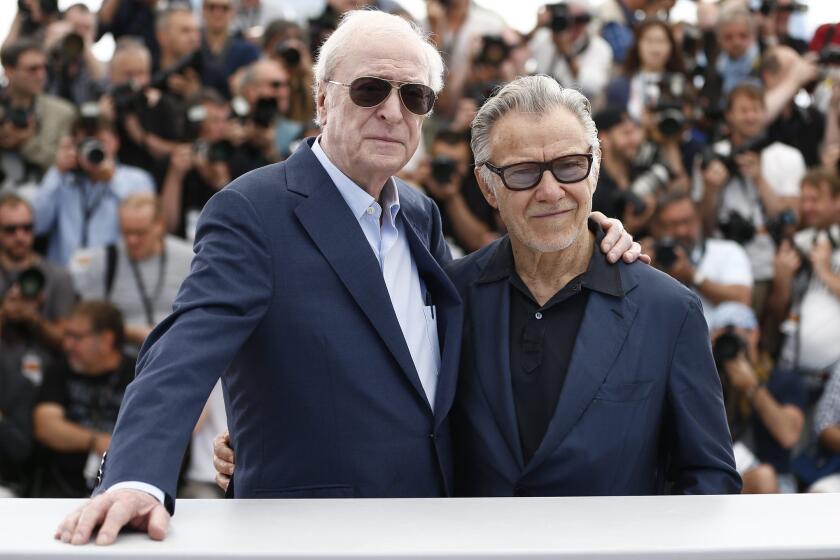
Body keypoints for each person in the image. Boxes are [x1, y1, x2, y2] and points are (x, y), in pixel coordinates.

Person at [55, 11, 638, 546]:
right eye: (369, 89)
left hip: (432, 528)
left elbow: (450, 336)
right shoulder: (253, 208)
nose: (393, 110)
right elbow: (182, 350)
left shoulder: (419, 213)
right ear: (322, 101)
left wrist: (586, 242)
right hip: (306, 537)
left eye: (414, 96)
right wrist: (136, 478)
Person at [448, 76, 738, 496]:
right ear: (486, 186)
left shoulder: (669, 311)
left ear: (595, 168)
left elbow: (709, 480)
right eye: (523, 172)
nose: (550, 191)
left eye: (569, 166)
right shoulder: (449, 295)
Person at [32, 301, 134, 498]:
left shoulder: (137, 373)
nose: (66, 344)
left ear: (106, 340)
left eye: (76, 337)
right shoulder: (60, 370)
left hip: (124, 487)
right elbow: (46, 426)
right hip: (61, 489)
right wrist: (96, 441)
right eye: (67, 335)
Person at [30, 114, 156, 267]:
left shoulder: (137, 179)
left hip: (114, 279)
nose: (93, 149)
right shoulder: (61, 180)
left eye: (100, 142)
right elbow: (36, 226)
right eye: (85, 143)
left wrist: (113, 181)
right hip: (67, 278)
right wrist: (57, 172)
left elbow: (148, 228)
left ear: (116, 141)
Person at [69, 193, 194, 348]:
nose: (132, 241)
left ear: (160, 225)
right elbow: (89, 321)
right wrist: (130, 332)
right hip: (122, 357)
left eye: (140, 233)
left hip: (176, 352)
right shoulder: (104, 260)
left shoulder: (189, 259)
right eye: (126, 232)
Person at [708, 303, 805, 494]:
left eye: (737, 335)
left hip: (775, 481)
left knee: (764, 477)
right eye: (722, 340)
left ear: (754, 334)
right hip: (721, 478)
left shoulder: (783, 380)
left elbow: (788, 436)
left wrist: (752, 388)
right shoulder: (709, 382)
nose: (730, 347)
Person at [650, 191, 753, 325]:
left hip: (714, 340)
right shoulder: (647, 260)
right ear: (656, 227)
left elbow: (742, 299)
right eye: (672, 224)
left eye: (686, 221)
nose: (681, 231)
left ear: (698, 220)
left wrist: (693, 276)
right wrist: (649, 270)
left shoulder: (727, 251)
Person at [0, 39, 77, 179]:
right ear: (9, 71)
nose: (41, 76)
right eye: (32, 69)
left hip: (43, 190)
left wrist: (26, 142)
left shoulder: (62, 112)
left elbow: (64, 162)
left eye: (44, 68)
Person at [527, 1, 613, 101]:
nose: (572, 26)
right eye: (567, 19)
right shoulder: (544, 37)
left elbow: (592, 87)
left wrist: (567, 53)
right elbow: (519, 56)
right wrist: (538, 26)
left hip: (574, 107)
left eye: (579, 20)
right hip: (539, 100)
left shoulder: (599, 48)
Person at [199, 0, 260, 99]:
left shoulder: (246, 50)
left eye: (224, 8)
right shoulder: (192, 47)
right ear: (203, 11)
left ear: (232, 12)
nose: (217, 13)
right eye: (212, 7)